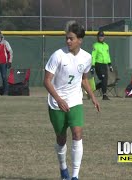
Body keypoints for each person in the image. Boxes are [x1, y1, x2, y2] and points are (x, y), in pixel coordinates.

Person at [43, 20, 100, 180]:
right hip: (56, 103)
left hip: (75, 101)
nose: (68, 41)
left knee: (77, 133)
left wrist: (92, 96)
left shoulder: (87, 57)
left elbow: (83, 79)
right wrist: (59, 99)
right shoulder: (58, 55)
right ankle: (63, 169)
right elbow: (46, 81)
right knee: (61, 139)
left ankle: (75, 176)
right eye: (67, 38)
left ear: (79, 40)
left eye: (71, 38)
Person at [91, 30, 113, 100]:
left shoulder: (106, 46)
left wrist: (110, 65)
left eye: (102, 36)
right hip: (98, 64)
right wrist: (93, 66)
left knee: (105, 80)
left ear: (104, 37)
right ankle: (104, 95)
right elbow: (93, 56)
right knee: (103, 78)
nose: (101, 37)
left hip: (104, 65)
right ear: (97, 37)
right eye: (100, 36)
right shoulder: (95, 45)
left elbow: (108, 55)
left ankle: (91, 90)